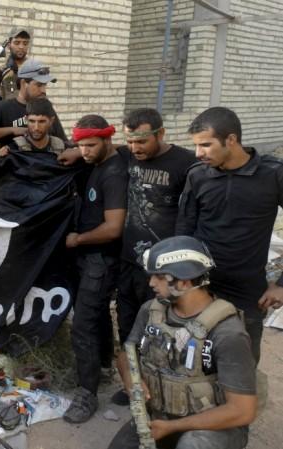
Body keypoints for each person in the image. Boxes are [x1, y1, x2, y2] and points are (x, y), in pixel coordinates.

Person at [109, 236, 257, 449]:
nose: (151, 283)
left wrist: (172, 427)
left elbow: (242, 411)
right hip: (162, 416)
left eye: (159, 277)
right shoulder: (151, 311)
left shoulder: (227, 333)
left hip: (212, 427)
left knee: (192, 444)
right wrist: (131, 380)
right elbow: (126, 353)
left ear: (185, 282)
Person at [176, 106, 283, 364]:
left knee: (241, 361)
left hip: (247, 290)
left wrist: (281, 284)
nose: (198, 153)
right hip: (201, 284)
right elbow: (184, 230)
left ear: (231, 139)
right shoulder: (198, 175)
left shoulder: (273, 174)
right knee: (194, 358)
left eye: (206, 145)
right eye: (196, 145)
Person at [111, 108, 197, 406]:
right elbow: (103, 148)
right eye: (130, 141)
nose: (135, 148)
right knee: (128, 326)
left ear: (161, 134)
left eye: (142, 141)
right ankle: (134, 385)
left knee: (161, 330)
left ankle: (163, 394)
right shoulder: (127, 154)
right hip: (130, 262)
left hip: (164, 269)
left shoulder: (186, 163)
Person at [63, 115, 128, 424]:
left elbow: (114, 228)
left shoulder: (113, 174)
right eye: (81, 145)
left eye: (90, 145)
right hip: (91, 258)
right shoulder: (100, 161)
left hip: (101, 259)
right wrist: (77, 152)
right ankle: (103, 366)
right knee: (98, 315)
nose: (85, 151)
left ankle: (86, 393)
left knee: (83, 325)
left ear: (107, 140)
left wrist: (78, 239)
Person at [0, 59, 67, 147]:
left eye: (45, 85)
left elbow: (63, 142)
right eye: (39, 85)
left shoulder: (46, 108)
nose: (43, 90)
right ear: (23, 83)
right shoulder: (3, 108)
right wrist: (13, 130)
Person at [0, 97, 66, 156]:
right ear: (26, 120)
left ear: (51, 121)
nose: (36, 128)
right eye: (32, 121)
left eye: (41, 121)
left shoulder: (60, 147)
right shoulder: (15, 148)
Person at [0, 27, 31, 101]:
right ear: (9, 45)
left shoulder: (33, 69)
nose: (21, 47)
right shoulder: (2, 70)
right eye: (17, 43)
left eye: (25, 43)